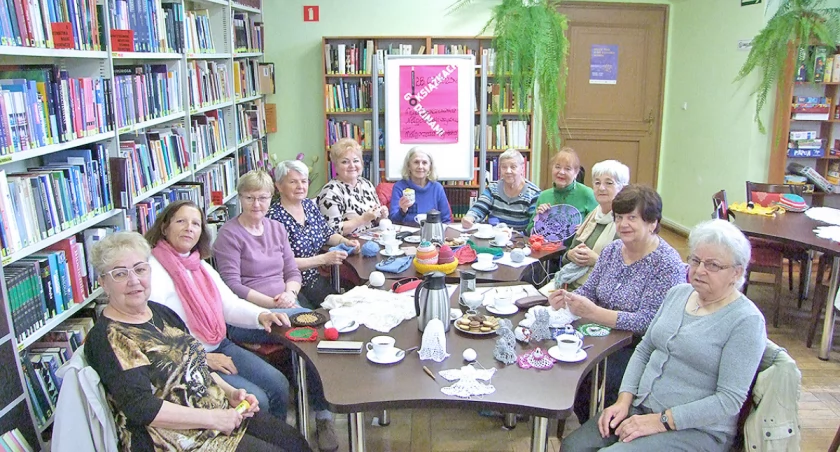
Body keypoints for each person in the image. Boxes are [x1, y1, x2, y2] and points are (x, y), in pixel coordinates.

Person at [85, 231, 311, 451]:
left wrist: (230, 393)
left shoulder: (160, 312)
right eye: (120, 274)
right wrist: (213, 418)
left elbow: (196, 362)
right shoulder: (108, 337)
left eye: (140, 269)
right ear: (103, 283)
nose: (134, 280)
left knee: (293, 441)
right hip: (175, 438)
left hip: (216, 413)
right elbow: (142, 407)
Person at [561, 220, 766, 451]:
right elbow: (644, 349)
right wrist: (624, 400)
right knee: (573, 446)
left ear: (737, 272)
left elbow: (729, 400)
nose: (700, 270)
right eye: (695, 260)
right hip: (641, 407)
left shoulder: (746, 321)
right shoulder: (678, 294)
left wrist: (661, 421)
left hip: (696, 430)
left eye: (713, 265)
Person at [212, 171, 340, 450]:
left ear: (271, 198)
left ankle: (321, 413)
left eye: (262, 197)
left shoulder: (275, 228)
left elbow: (291, 271)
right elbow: (233, 286)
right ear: (240, 198)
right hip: (248, 316)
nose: (256, 204)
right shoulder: (229, 235)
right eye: (249, 198)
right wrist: (272, 303)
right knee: (313, 332)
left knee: (316, 331)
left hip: (285, 304)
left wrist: (290, 293)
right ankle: (320, 416)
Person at [144, 200, 293, 425]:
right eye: (181, 221)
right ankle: (255, 437)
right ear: (164, 227)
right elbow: (156, 336)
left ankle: (279, 436)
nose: (189, 228)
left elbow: (229, 305)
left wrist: (261, 315)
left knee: (278, 383)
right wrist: (202, 358)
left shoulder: (200, 266)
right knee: (258, 399)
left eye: (196, 224)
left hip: (219, 344)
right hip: (191, 359)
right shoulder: (152, 271)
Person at [548, 185, 686, 425]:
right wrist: (567, 299)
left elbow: (649, 322)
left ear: (652, 223)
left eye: (632, 218)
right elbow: (589, 291)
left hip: (638, 346)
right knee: (563, 359)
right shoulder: (611, 251)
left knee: (605, 377)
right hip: (600, 335)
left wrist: (595, 313)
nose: (623, 224)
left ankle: (608, 427)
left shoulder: (666, 263)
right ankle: (586, 421)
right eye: (619, 217)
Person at [269, 160, 360, 308]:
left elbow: (327, 234)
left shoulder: (308, 205)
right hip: (289, 287)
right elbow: (281, 263)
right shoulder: (273, 218)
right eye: (293, 182)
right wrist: (323, 259)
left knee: (347, 306)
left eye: (304, 181)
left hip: (314, 280)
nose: (300, 186)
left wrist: (345, 242)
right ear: (279, 186)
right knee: (317, 317)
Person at [556, 160, 630, 290]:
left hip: (601, 292)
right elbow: (568, 255)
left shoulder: (625, 224)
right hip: (571, 282)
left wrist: (596, 260)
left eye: (609, 183)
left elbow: (628, 272)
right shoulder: (592, 215)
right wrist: (570, 255)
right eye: (597, 183)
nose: (601, 188)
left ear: (623, 188)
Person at [317, 138, 389, 234]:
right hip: (347, 242)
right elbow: (332, 231)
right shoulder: (330, 191)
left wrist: (381, 216)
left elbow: (373, 221)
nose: (352, 165)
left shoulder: (366, 184)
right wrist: (362, 219)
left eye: (356, 161)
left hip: (372, 238)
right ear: (335, 166)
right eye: (345, 162)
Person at [460, 149, 540, 232]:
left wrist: (512, 236)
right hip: (493, 237)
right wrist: (470, 218)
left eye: (513, 167)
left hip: (520, 239)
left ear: (522, 168)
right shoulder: (493, 188)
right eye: (504, 167)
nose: (508, 171)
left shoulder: (533, 194)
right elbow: (479, 208)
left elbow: (533, 226)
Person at [527, 147, 597, 241]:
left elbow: (598, 229)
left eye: (567, 169)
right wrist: (539, 218)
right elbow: (529, 232)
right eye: (557, 167)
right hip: (547, 248)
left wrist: (584, 230)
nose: (561, 172)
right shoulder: (544, 196)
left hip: (578, 248)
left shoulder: (587, 194)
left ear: (576, 173)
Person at [389, 146, 452, 225]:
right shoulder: (399, 187)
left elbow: (446, 220)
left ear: (430, 167)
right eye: (416, 162)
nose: (420, 166)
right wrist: (402, 211)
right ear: (408, 166)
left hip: (432, 231)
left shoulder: (437, 188)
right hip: (406, 232)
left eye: (424, 163)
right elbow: (393, 221)